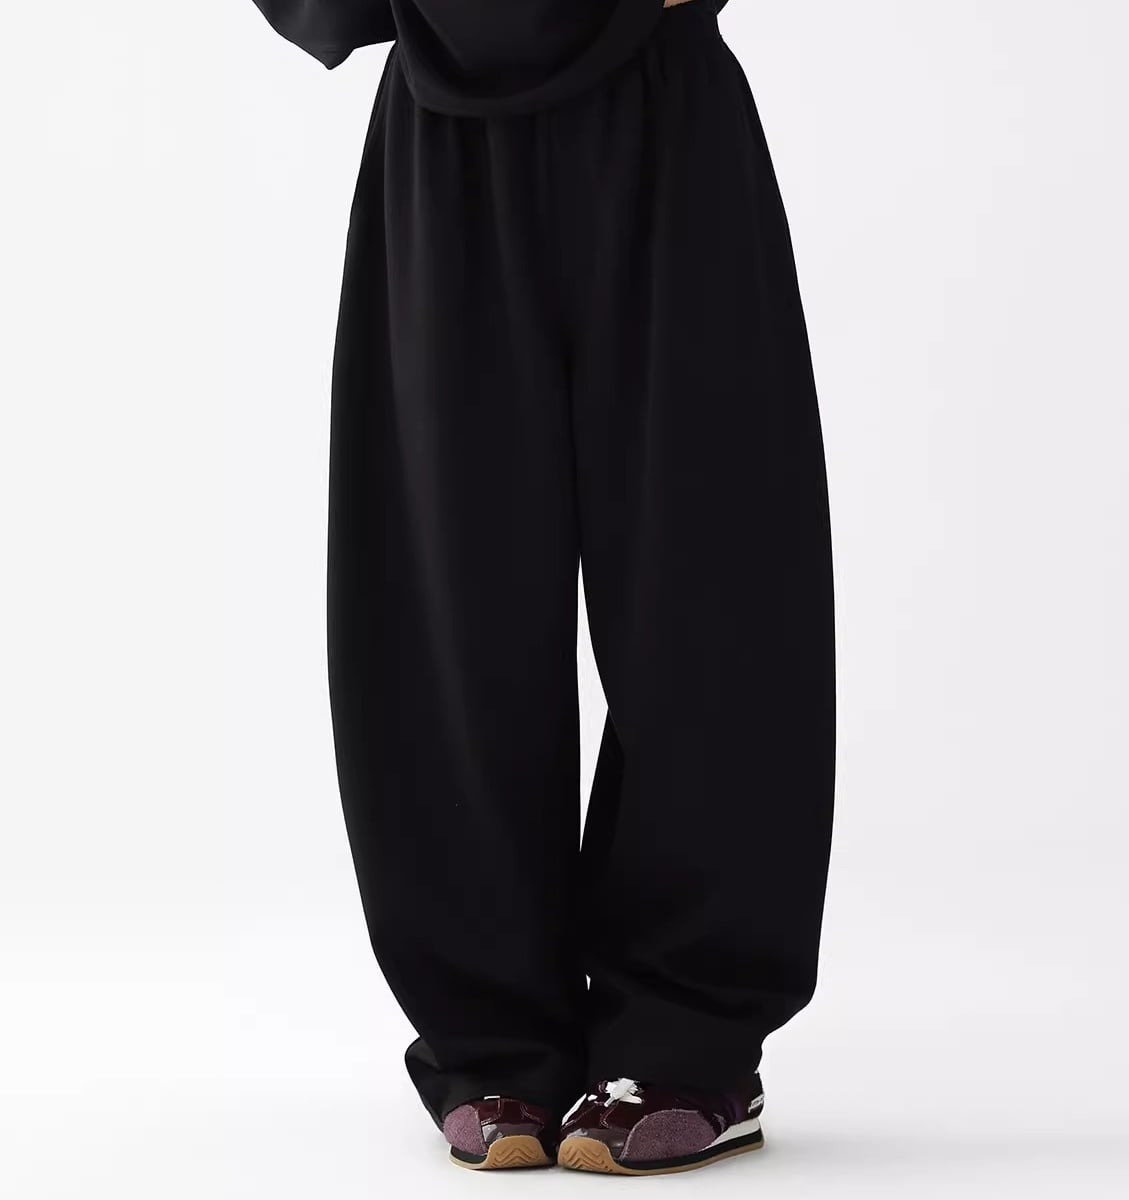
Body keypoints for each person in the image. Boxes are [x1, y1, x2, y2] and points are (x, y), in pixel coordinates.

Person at [250, 0, 835, 1175]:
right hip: (445, 129)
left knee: (708, 586)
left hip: (666, 113)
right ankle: (491, 1038)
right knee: (448, 599)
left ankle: (689, 1040)